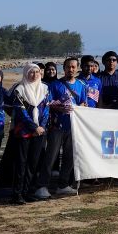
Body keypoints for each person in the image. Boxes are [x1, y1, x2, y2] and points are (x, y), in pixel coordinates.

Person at [40, 57, 86, 198]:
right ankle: (42, 185)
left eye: (73, 67)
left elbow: (84, 103)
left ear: (77, 68)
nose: (71, 70)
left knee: (69, 157)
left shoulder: (81, 84)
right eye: (68, 67)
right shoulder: (55, 84)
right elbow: (48, 102)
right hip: (57, 126)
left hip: (73, 127)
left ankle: (63, 184)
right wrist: (60, 108)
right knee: (51, 157)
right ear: (64, 68)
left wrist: (78, 107)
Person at [6, 63, 51, 205]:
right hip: (24, 132)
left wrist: (42, 126)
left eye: (37, 72)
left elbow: (46, 110)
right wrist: (33, 127)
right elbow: (21, 113)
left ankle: (28, 191)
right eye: (31, 72)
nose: (35, 75)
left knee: (33, 163)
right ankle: (17, 193)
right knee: (21, 163)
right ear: (26, 73)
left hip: (40, 133)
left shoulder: (44, 89)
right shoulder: (19, 90)